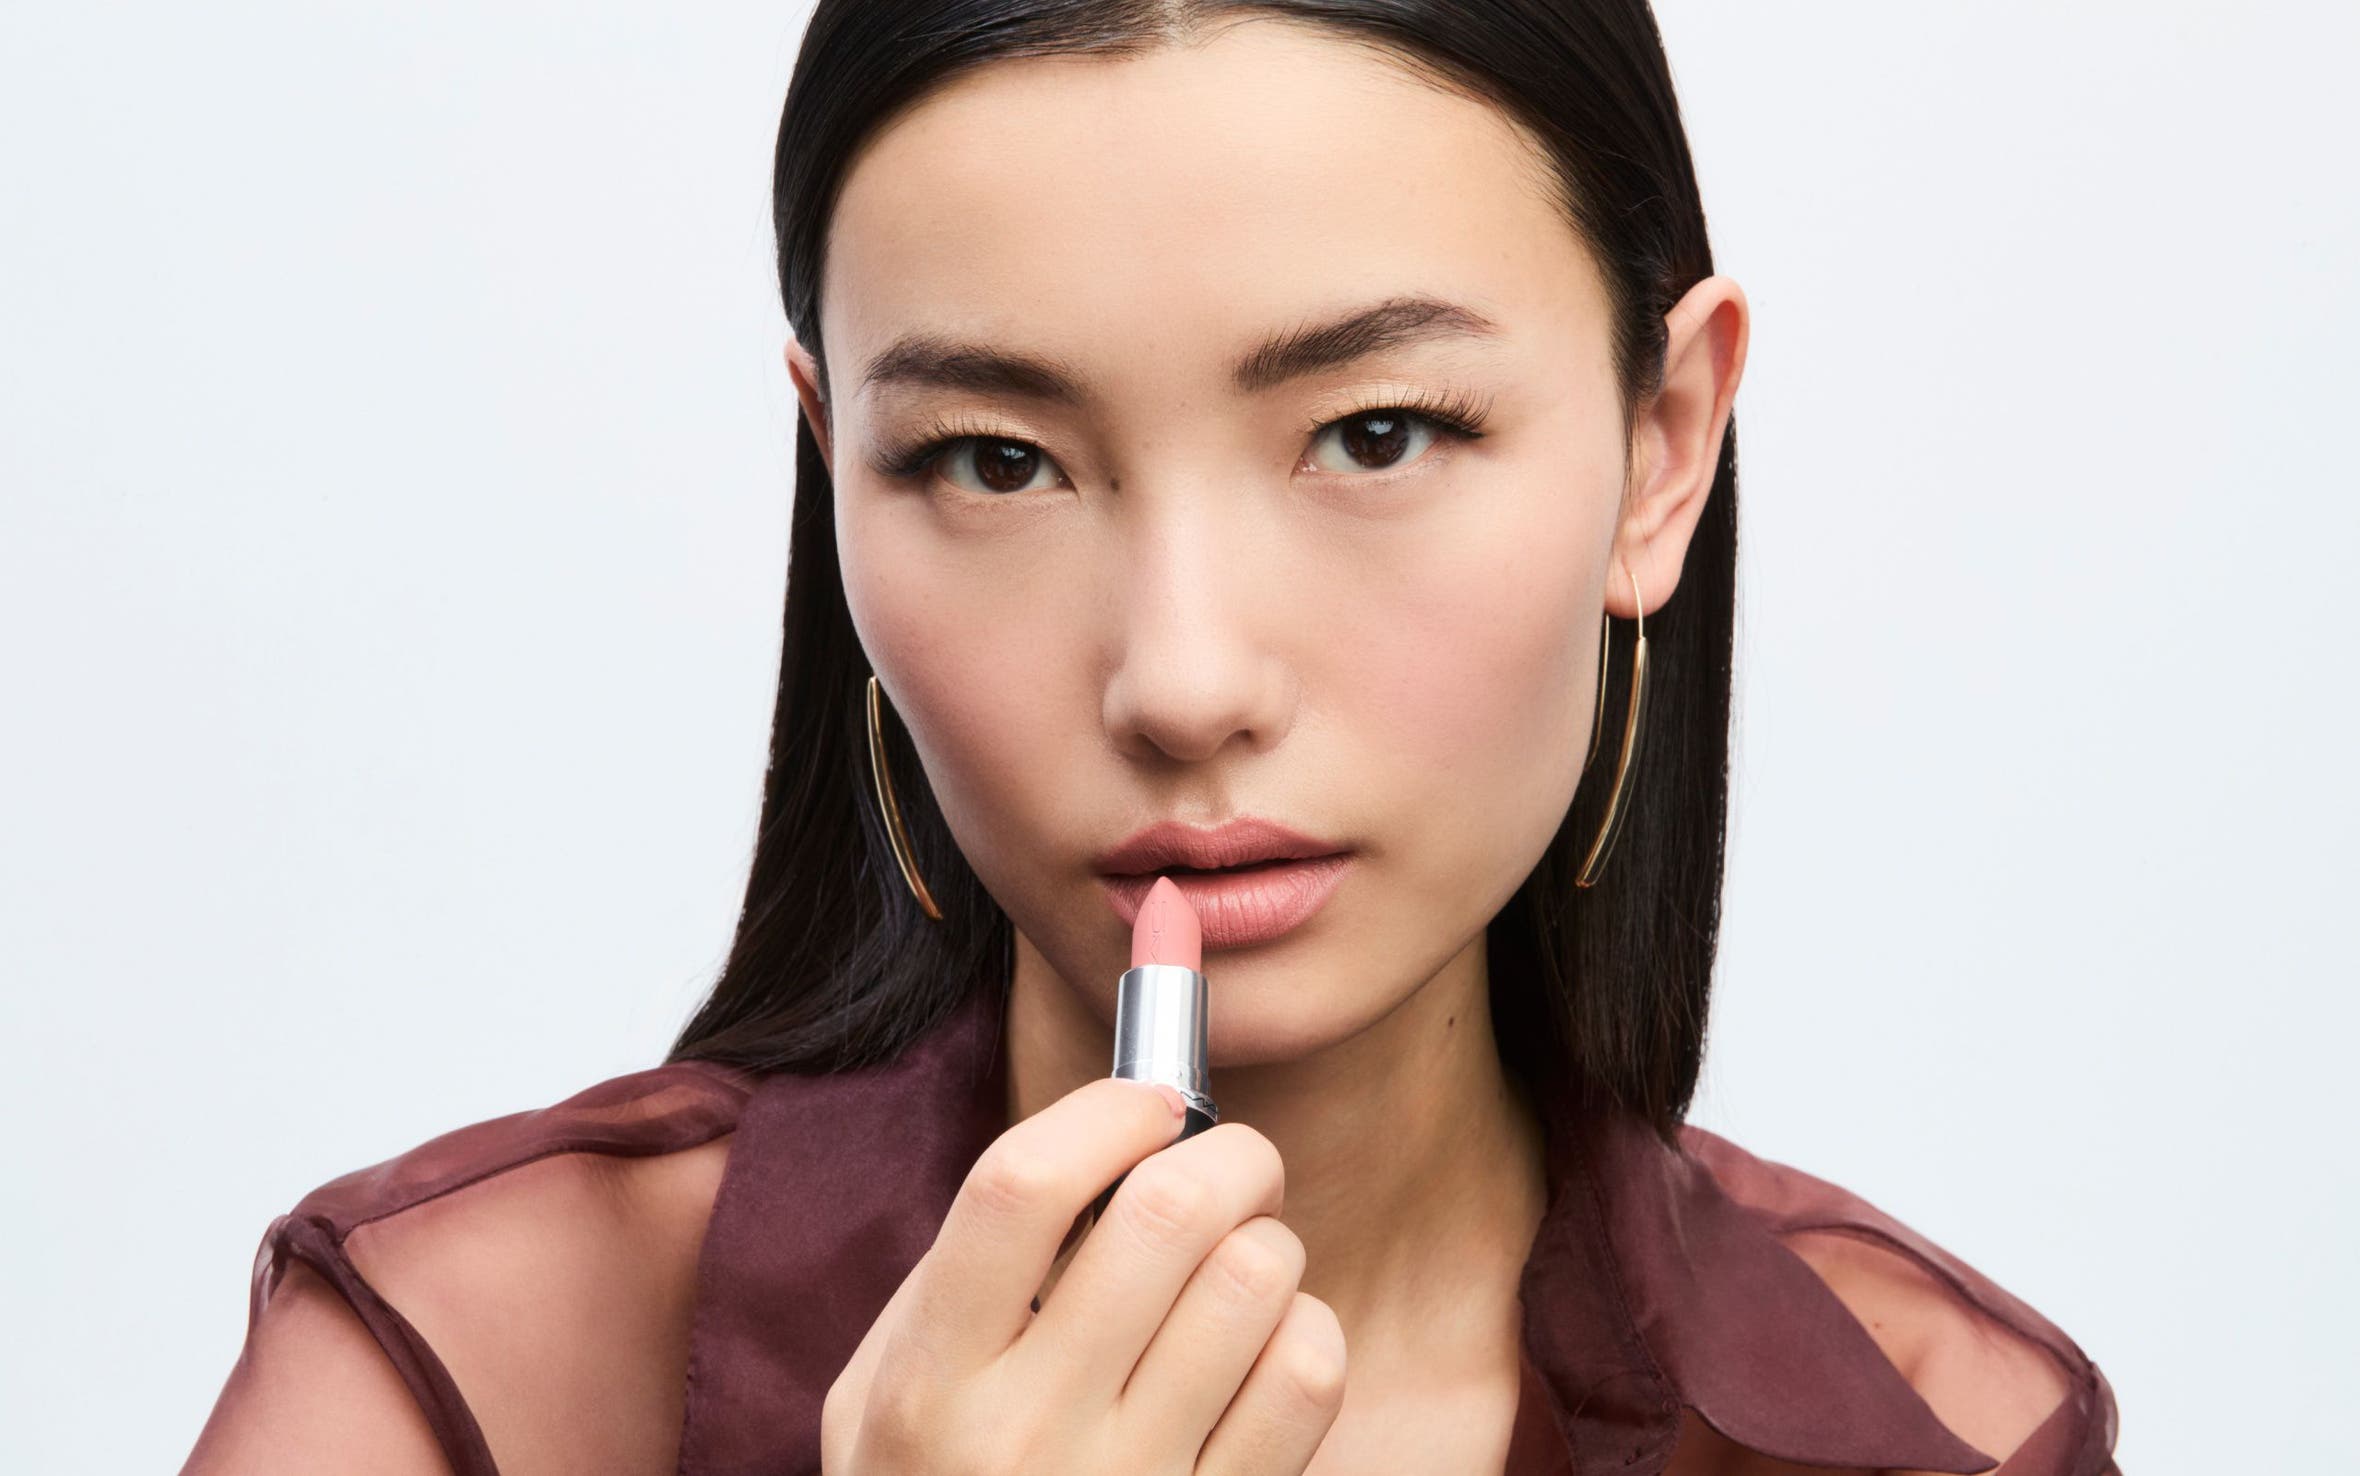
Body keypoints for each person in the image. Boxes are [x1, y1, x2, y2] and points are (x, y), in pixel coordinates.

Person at [183, 4, 2121, 1473]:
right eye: (993, 461)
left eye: (1377, 432)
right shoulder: (463, 1374)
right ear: (832, 473)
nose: (1182, 681)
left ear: (1660, 450)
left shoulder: (1923, 1422)